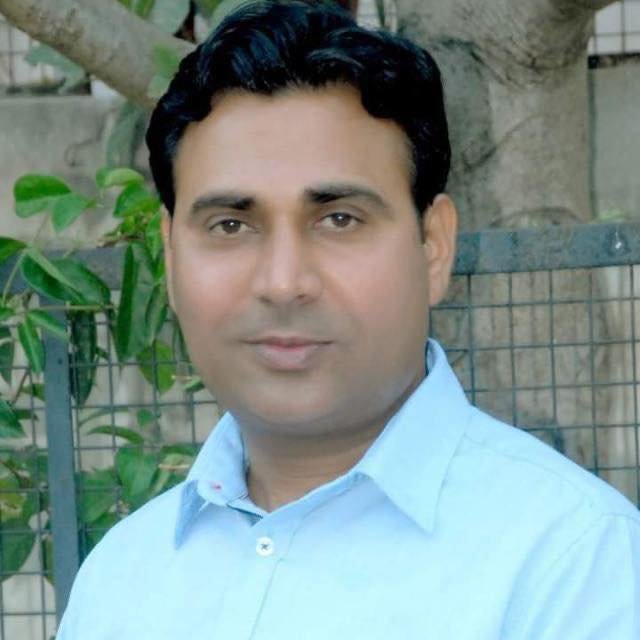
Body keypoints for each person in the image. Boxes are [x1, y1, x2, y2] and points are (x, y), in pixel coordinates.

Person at [57, 1, 640, 638]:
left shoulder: (573, 568)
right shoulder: (121, 580)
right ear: (171, 258)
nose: (283, 283)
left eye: (339, 219)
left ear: (434, 246)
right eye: (230, 225)